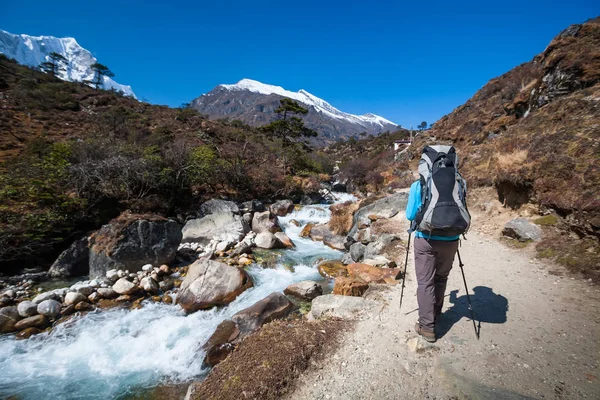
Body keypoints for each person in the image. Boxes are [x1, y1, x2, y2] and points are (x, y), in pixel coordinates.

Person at [405, 178, 460, 342]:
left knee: (425, 282)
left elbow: (410, 214)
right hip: (451, 239)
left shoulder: (419, 184)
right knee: (441, 277)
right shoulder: (458, 181)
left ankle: (427, 327)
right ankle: (436, 314)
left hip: (425, 239)